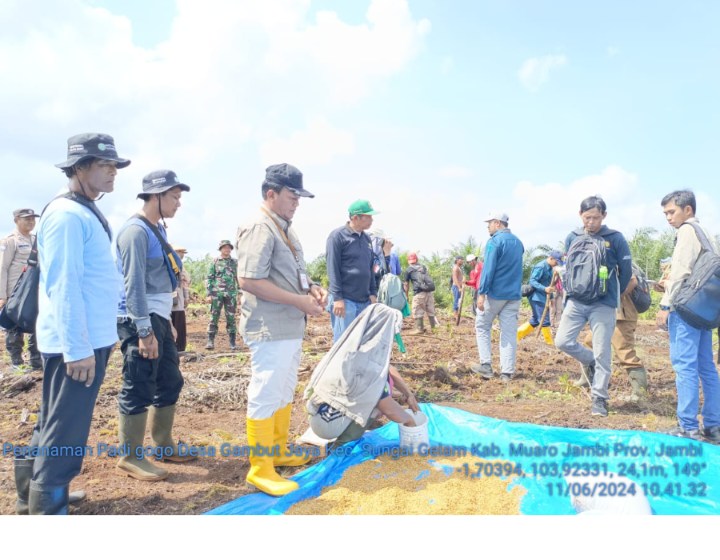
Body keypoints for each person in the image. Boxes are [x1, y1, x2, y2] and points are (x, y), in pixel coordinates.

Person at [13, 132, 130, 515]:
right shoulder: (66, 216)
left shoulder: (83, 209)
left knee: (53, 419)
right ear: (79, 168)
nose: (113, 172)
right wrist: (77, 349)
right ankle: (49, 507)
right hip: (75, 344)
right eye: (105, 165)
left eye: (115, 165)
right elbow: (63, 286)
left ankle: (30, 496)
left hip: (83, 337)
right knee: (66, 430)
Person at [236, 163, 326, 496]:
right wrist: (298, 301)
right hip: (269, 325)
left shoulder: (285, 227)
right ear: (271, 193)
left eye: (299, 196)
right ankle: (260, 468)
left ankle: (277, 450)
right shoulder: (260, 226)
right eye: (292, 195)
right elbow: (248, 280)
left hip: (288, 324)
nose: (297, 202)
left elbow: (293, 272)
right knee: (266, 391)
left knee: (284, 388)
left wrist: (312, 289)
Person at [115, 169, 193, 481]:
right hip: (138, 321)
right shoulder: (135, 232)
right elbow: (133, 285)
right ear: (155, 196)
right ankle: (131, 456)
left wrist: (166, 323)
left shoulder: (155, 228)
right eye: (174, 197)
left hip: (157, 318)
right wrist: (145, 331)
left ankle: (163, 444)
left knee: (170, 379)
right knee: (140, 383)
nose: (178, 203)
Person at [555, 196, 632, 418]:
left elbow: (625, 271)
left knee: (602, 351)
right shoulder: (573, 237)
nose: (591, 222)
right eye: (587, 217)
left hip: (603, 303)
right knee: (562, 341)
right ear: (580, 214)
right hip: (577, 300)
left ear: (604, 216)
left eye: (596, 218)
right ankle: (587, 360)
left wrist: (614, 293)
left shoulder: (615, 238)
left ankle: (600, 398)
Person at [656, 190, 720, 442]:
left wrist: (664, 307)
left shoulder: (686, 231)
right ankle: (713, 427)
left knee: (685, 367)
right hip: (705, 310)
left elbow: (680, 272)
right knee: (707, 368)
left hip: (685, 310)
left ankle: (688, 426)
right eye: (665, 214)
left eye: (671, 212)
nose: (668, 218)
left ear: (688, 210)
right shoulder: (708, 235)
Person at [306, 304, 419, 445]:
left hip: (319, 412)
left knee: (380, 390)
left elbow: (387, 368)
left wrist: (408, 394)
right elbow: (388, 408)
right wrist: (409, 421)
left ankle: (346, 429)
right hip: (327, 422)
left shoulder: (357, 344)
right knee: (376, 403)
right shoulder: (365, 366)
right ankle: (343, 444)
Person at [581, 262, 650, 403]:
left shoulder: (620, 260)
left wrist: (615, 296)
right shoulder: (603, 260)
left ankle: (639, 395)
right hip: (607, 312)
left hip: (622, 314)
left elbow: (632, 281)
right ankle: (587, 380)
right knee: (589, 343)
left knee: (625, 353)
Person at [470, 212, 524, 382]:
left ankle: (486, 365)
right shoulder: (518, 242)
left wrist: (482, 293)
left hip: (495, 293)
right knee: (508, 332)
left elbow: (488, 269)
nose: (488, 227)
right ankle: (506, 373)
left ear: (497, 223)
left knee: (482, 325)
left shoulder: (494, 242)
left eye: (490, 223)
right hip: (513, 294)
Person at [326, 200, 378, 343]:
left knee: (361, 341)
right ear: (355, 218)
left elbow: (370, 268)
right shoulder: (337, 237)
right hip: (345, 300)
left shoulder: (366, 239)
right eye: (368, 216)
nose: (372, 220)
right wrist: (337, 298)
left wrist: (373, 293)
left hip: (364, 300)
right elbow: (332, 268)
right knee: (344, 343)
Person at [1, 208, 43, 370]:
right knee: (13, 325)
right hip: (15, 290)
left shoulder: (35, 240)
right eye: (27, 219)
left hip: (32, 290)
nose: (31, 222)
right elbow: (2, 268)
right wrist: (2, 295)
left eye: (33, 219)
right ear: (16, 220)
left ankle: (36, 361)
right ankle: (16, 362)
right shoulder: (10, 241)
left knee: (35, 323)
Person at [517, 250, 561, 345]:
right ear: (551, 258)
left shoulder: (550, 268)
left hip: (543, 297)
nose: (556, 264)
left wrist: (551, 297)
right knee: (544, 320)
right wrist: (544, 289)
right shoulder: (541, 266)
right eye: (556, 262)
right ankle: (549, 343)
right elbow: (532, 281)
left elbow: (549, 285)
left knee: (535, 320)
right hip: (536, 297)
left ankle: (517, 335)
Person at [205, 240, 240, 350]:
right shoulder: (215, 261)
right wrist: (209, 294)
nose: (227, 249)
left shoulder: (235, 262)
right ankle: (210, 341)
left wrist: (240, 294)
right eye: (224, 247)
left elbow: (238, 278)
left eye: (229, 247)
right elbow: (210, 278)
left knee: (231, 318)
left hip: (231, 294)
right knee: (214, 317)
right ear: (220, 249)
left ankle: (232, 342)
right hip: (217, 294)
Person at [403, 252, 438, 334]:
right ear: (417, 260)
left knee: (417, 310)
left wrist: (406, 295)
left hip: (419, 293)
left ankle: (419, 329)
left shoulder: (408, 270)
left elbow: (406, 284)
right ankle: (434, 328)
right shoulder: (423, 267)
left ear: (409, 261)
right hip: (429, 292)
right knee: (431, 310)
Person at [170, 246, 190, 352]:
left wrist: (186, 297)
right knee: (177, 322)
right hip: (174, 299)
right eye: (181, 252)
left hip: (177, 298)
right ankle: (178, 347)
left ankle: (177, 347)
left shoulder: (179, 265)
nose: (182, 255)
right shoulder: (175, 265)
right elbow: (184, 281)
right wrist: (186, 297)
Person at [451, 255, 465, 322]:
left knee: (459, 301)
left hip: (459, 287)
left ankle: (457, 315)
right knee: (456, 300)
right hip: (456, 287)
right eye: (461, 259)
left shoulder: (459, 268)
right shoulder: (455, 268)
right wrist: (459, 287)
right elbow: (455, 278)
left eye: (462, 259)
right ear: (457, 260)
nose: (462, 261)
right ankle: (455, 315)